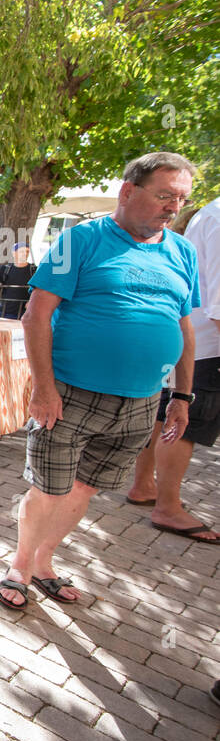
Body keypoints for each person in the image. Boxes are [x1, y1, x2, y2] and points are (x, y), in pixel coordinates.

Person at [0, 152, 200, 610]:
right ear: (128, 191)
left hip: (142, 401)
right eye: (165, 195)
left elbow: (184, 328)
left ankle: (45, 564)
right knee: (48, 488)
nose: (173, 207)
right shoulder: (81, 240)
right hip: (70, 394)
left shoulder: (182, 251)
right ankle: (20, 565)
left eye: (182, 199)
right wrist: (43, 388)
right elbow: (36, 315)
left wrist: (182, 396)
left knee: (85, 487)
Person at [125, 193, 220, 544]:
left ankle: (144, 485)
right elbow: (217, 306)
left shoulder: (206, 218)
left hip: (186, 339)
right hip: (204, 344)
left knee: (165, 415)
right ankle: (167, 505)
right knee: (187, 423)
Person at [0, 242, 38, 319]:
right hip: (4, 312)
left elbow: (42, 287)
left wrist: (32, 301)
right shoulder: (5, 269)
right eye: (22, 251)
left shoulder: (34, 270)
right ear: (14, 253)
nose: (25, 254)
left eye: (27, 251)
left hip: (25, 314)